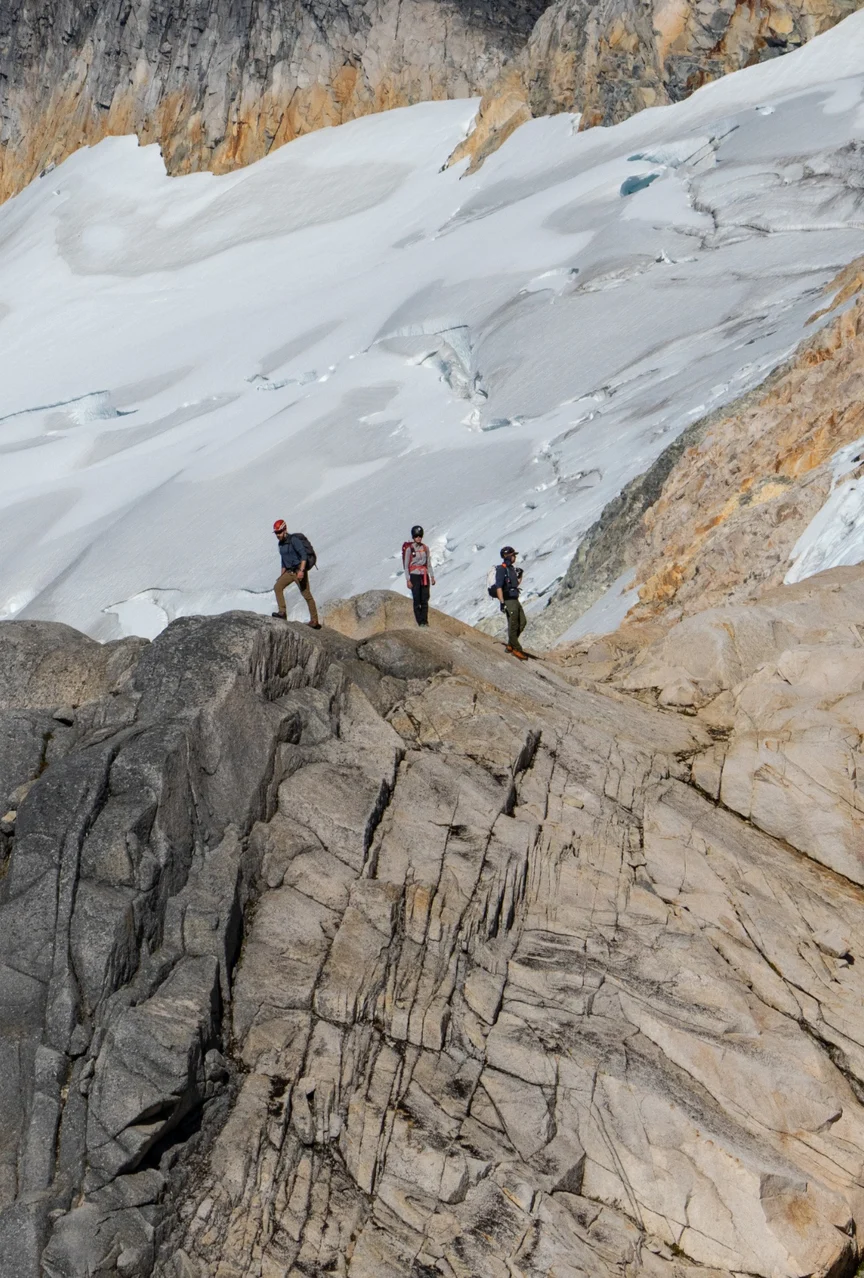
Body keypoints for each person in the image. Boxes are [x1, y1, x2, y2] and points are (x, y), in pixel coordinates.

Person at [272, 520, 321, 628]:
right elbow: (283, 561)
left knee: (306, 594)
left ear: (285, 529)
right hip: (289, 571)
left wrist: (302, 571)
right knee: (277, 587)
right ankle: (282, 612)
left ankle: (314, 620)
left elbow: (303, 555)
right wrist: (282, 575)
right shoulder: (280, 544)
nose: (278, 535)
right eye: (276, 533)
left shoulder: (294, 540)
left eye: (279, 532)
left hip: (299, 570)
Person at [495, 546, 528, 659]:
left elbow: (514, 585)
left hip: (515, 599)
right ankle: (516, 649)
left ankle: (510, 644)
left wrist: (520, 576)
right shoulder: (502, 569)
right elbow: (498, 587)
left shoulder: (511, 569)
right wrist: (502, 602)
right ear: (508, 556)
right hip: (509, 600)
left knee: (522, 622)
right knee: (513, 625)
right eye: (514, 555)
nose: (515, 557)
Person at [404, 525, 436, 627]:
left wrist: (432, 576)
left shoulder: (425, 548)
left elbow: (428, 563)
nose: (418, 538)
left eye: (420, 536)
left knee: (425, 599)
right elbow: (406, 566)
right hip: (414, 576)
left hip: (424, 575)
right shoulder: (410, 549)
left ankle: (425, 621)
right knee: (417, 599)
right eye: (416, 536)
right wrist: (408, 580)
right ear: (413, 537)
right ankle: (420, 622)